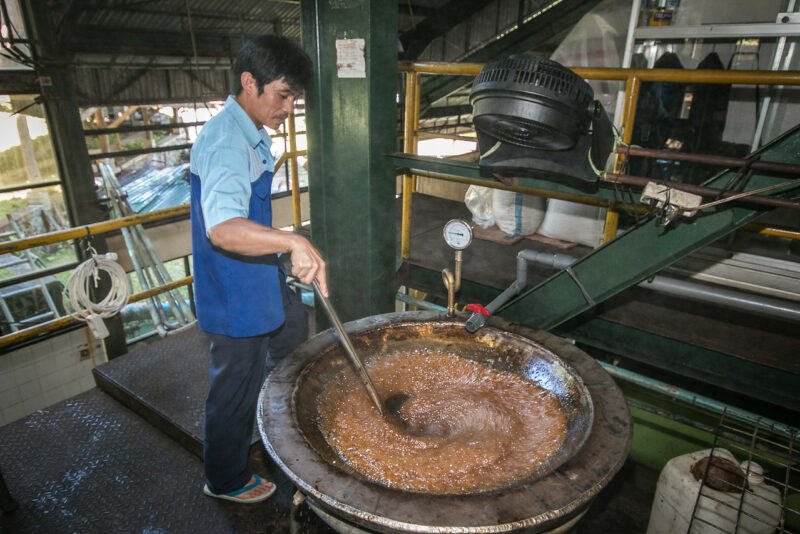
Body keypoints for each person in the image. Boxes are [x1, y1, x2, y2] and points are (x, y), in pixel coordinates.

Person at [189, 35, 328, 504]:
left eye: (295, 98)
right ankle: (224, 479)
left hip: (258, 273)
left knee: (293, 330)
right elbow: (224, 229)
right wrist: (293, 241)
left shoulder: (249, 131)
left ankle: (283, 422)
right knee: (234, 385)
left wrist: (285, 251)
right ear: (249, 82)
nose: (289, 108)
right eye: (283, 95)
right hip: (233, 288)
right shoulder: (227, 142)